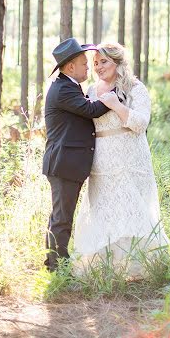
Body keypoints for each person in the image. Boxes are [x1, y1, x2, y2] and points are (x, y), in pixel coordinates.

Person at [73, 42, 169, 277]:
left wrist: (117, 105)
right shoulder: (92, 91)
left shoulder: (135, 88)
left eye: (103, 61)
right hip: (102, 159)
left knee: (132, 207)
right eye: (95, 63)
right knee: (105, 209)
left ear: (117, 62)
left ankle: (139, 267)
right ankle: (103, 268)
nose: (98, 67)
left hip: (131, 157)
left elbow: (140, 123)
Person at [42, 37, 110, 272]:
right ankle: (57, 268)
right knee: (62, 219)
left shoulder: (68, 86)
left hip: (66, 163)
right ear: (70, 67)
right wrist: (114, 97)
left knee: (60, 216)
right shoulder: (63, 89)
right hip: (63, 164)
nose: (88, 68)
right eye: (84, 63)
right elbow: (91, 110)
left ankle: (53, 262)